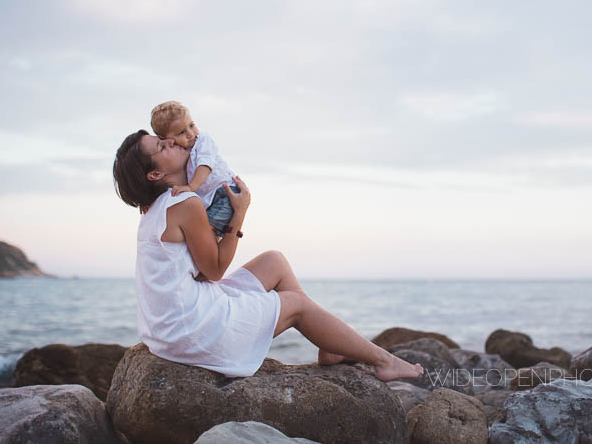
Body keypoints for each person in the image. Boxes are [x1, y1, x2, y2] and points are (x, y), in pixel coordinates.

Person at [112, 129, 423, 381]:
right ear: (154, 174)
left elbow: (202, 273)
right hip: (190, 332)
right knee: (297, 305)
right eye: (161, 146)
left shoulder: (158, 206)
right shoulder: (185, 203)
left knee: (274, 260)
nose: (171, 140)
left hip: (168, 328)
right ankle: (384, 360)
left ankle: (330, 345)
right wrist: (240, 212)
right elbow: (216, 271)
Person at [150, 101, 239, 237]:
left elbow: (205, 165)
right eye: (181, 132)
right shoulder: (182, 153)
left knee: (208, 233)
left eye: (191, 125)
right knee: (202, 232)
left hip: (225, 192)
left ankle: (215, 251)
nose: (190, 134)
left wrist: (191, 187)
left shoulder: (203, 140)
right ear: (168, 140)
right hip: (209, 198)